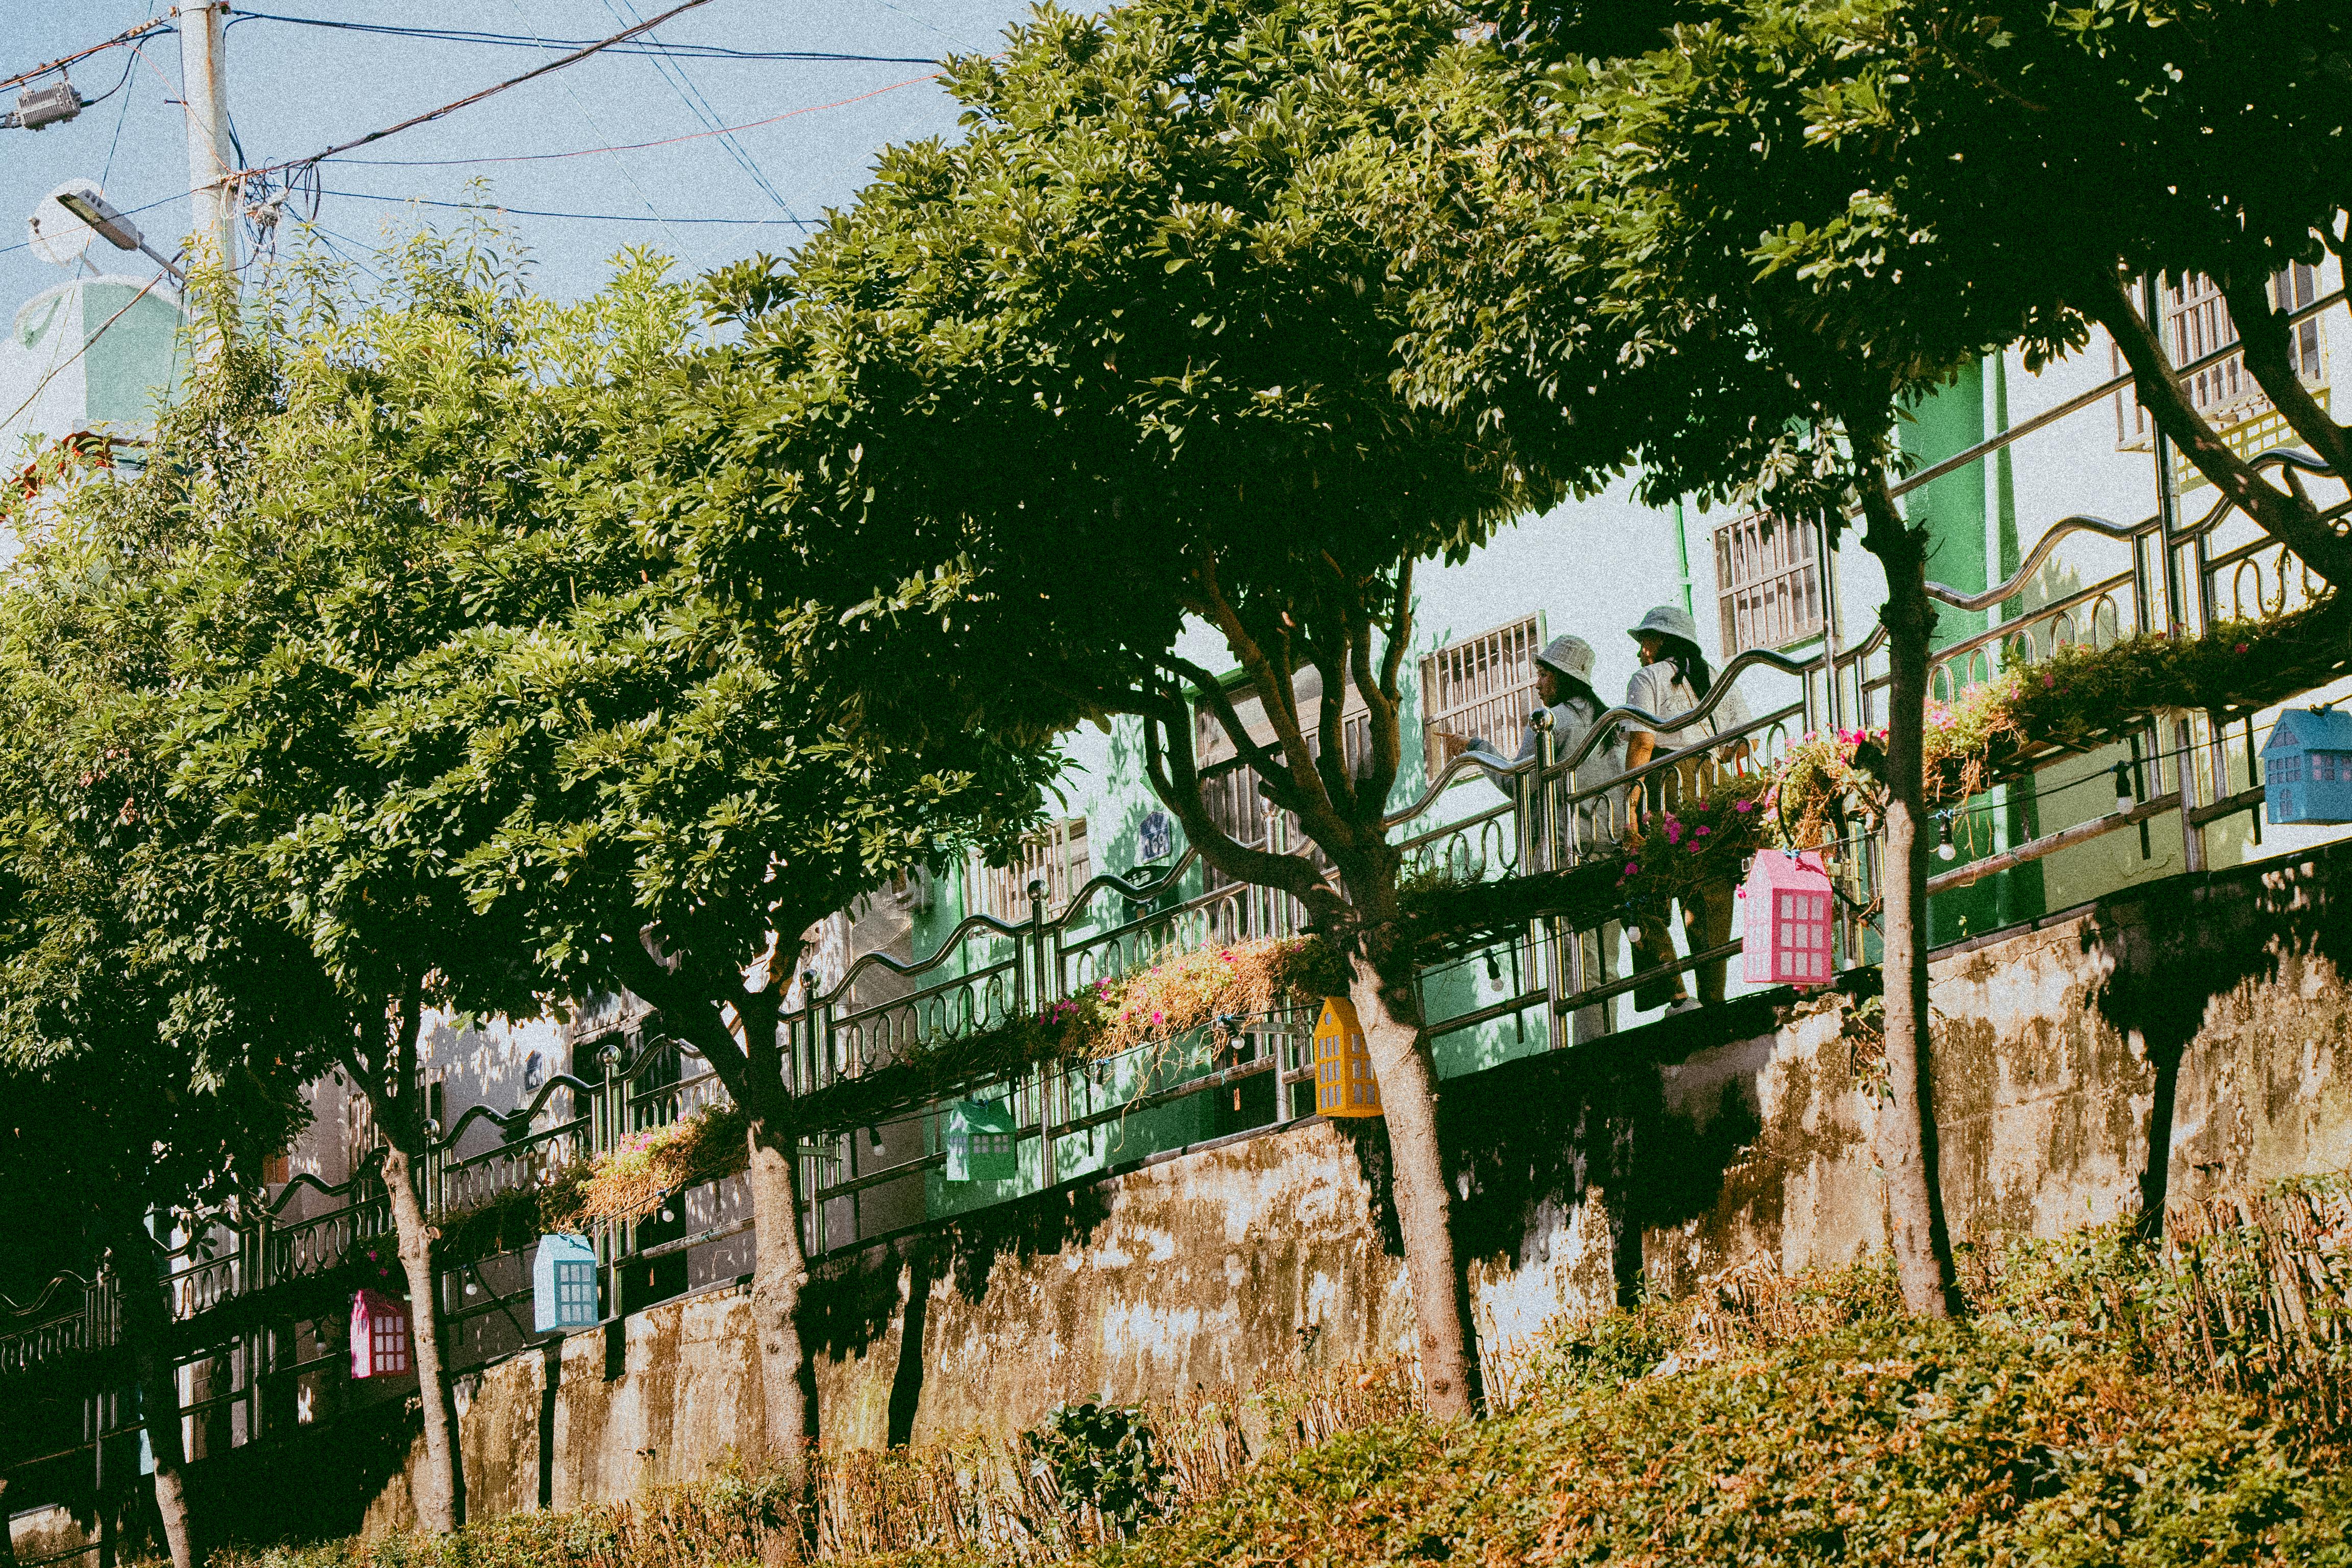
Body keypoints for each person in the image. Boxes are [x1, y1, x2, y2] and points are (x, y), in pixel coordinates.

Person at [1463, 634, 1624, 1039]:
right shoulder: (1605, 721)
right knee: (1605, 960)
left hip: (1567, 853)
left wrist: (1476, 750)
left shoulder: (1553, 722)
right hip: (1607, 846)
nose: (1537, 685)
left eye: (1542, 675)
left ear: (1562, 678)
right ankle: (1606, 1038)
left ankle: (1589, 1050)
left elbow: (1516, 783)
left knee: (1576, 963)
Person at [1620, 606, 1751, 1011]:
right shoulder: (1718, 678)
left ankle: (1676, 994)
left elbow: (1642, 744)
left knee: (1641, 891)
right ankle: (1714, 1002)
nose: (1642, 650)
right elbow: (1742, 746)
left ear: (1664, 642)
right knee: (1709, 896)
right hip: (1711, 789)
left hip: (1666, 788)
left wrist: (1629, 807)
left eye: (1648, 640)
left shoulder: (1647, 678)